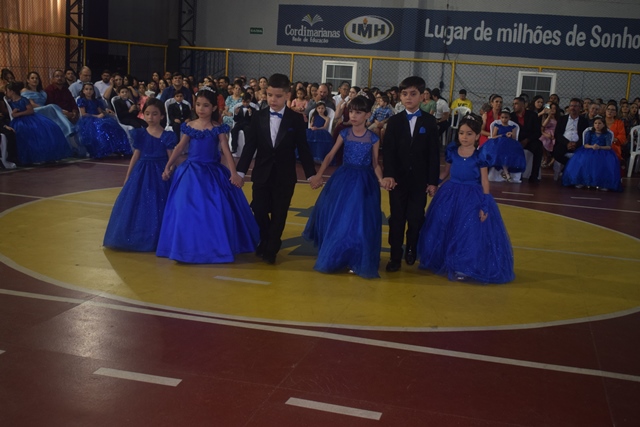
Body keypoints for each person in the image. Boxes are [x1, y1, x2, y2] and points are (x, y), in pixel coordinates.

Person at [156, 88, 259, 263]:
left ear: (213, 108)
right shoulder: (190, 126)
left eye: (206, 105)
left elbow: (226, 150)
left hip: (212, 173)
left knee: (215, 209)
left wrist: (233, 173)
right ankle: (184, 247)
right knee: (184, 207)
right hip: (190, 172)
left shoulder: (218, 128)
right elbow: (180, 147)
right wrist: (168, 165)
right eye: (198, 105)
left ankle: (212, 246)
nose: (201, 109)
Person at [417, 114, 514, 283]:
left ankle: (464, 265)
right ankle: (445, 260)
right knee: (444, 227)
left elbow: (484, 180)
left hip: (472, 197)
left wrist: (485, 204)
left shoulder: (481, 155)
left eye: (469, 134)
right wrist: (434, 182)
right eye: (461, 133)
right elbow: (446, 172)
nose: (464, 137)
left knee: (468, 231)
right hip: (450, 194)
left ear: (477, 136)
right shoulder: (452, 152)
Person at [236, 73, 317, 265]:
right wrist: (240, 172)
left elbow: (303, 148)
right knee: (259, 209)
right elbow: (250, 146)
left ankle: (272, 247)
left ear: (288, 95)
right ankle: (266, 238)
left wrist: (311, 174)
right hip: (261, 173)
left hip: (285, 175)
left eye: (278, 96)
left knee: (280, 213)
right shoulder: (258, 117)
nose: (273, 99)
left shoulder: (296, 119)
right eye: (270, 95)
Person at [303, 95, 384, 278]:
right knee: (340, 218)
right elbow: (330, 155)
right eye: (352, 112)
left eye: (358, 112)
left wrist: (381, 179)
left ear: (368, 115)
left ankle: (356, 257)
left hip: (364, 183)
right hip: (344, 179)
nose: (353, 116)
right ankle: (338, 256)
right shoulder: (344, 133)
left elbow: (375, 163)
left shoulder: (373, 138)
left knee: (360, 221)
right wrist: (318, 175)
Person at [381, 76, 440, 273]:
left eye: (413, 94)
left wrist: (432, 181)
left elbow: (433, 154)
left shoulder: (430, 122)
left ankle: (412, 247)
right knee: (397, 218)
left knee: (416, 218)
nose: (408, 98)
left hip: (419, 181)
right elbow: (388, 151)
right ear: (400, 96)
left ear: (422, 96)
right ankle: (394, 255)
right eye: (404, 94)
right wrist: (389, 174)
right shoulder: (394, 121)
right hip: (397, 180)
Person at [103, 98, 178, 251]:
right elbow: (136, 156)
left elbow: (171, 157)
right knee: (139, 204)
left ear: (162, 116)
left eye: (155, 114)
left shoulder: (167, 136)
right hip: (142, 173)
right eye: (147, 114)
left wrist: (169, 170)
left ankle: (158, 238)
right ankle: (139, 236)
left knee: (159, 203)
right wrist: (128, 176)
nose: (151, 117)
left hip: (160, 173)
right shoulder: (140, 134)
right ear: (143, 115)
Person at [4, 81, 71, 165]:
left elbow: (30, 110)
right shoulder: (9, 102)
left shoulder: (23, 99)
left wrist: (17, 114)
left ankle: (42, 156)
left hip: (29, 119)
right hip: (18, 121)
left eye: (7, 90)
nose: (6, 93)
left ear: (12, 91)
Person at [562, 116, 621, 192]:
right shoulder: (589, 133)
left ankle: (603, 183)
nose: (597, 125)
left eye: (599, 123)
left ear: (603, 124)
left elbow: (608, 146)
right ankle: (581, 181)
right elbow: (585, 145)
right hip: (590, 149)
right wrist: (592, 146)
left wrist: (599, 147)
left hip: (603, 150)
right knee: (583, 159)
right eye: (595, 123)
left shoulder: (607, 134)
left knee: (605, 161)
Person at [76, 82, 131, 159]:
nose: (89, 91)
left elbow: (100, 111)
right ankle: (102, 150)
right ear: (83, 91)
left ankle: (117, 148)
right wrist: (96, 116)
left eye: (91, 89)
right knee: (100, 127)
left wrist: (106, 112)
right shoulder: (82, 100)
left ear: (93, 91)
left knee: (113, 125)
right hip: (89, 119)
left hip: (98, 117)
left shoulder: (96, 101)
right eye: (86, 89)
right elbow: (83, 114)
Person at [21, 71, 76, 140]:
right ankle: (69, 128)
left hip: (44, 109)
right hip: (35, 110)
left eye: (37, 78)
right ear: (28, 80)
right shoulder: (25, 91)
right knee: (52, 106)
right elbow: (32, 104)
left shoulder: (41, 92)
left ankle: (64, 132)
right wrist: (45, 108)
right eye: (32, 78)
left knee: (53, 110)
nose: (35, 80)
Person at [482, 107, 526, 182]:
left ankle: (507, 173)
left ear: (509, 118)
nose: (504, 119)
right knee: (499, 152)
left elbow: (514, 138)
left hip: (509, 144)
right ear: (500, 117)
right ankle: (506, 173)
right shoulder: (497, 126)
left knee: (513, 153)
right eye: (502, 117)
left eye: (506, 117)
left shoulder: (513, 127)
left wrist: (511, 134)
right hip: (498, 143)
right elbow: (493, 136)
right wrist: (503, 135)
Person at [552, 98, 589, 181]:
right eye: (571, 106)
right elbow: (557, 134)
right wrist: (567, 143)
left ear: (580, 108)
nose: (573, 108)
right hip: (564, 143)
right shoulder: (562, 119)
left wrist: (576, 144)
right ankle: (570, 166)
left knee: (583, 156)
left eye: (575, 106)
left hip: (578, 144)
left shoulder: (584, 121)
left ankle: (568, 170)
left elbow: (585, 135)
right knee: (557, 153)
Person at [511, 96, 543, 182]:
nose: (513, 106)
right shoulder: (511, 116)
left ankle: (534, 175)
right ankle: (515, 174)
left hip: (529, 140)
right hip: (516, 140)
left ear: (522, 105)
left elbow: (538, 132)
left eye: (516, 104)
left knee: (538, 146)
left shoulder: (532, 115)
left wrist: (527, 140)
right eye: (513, 104)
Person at [539, 102, 559, 168]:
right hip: (546, 133)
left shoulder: (558, 118)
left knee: (556, 142)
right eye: (551, 108)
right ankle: (545, 157)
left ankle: (552, 161)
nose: (552, 110)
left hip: (555, 133)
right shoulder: (545, 117)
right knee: (542, 140)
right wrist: (549, 116)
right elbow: (543, 126)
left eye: (554, 108)